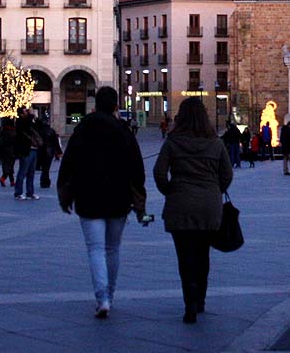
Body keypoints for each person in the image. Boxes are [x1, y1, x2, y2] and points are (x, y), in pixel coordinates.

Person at [58, 86, 148, 319]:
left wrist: (65, 193)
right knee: (113, 248)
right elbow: (136, 167)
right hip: (119, 198)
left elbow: (68, 163)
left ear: (95, 105)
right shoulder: (124, 131)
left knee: (95, 249)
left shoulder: (83, 130)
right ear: (116, 106)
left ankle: (102, 299)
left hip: (89, 197)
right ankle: (111, 294)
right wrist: (138, 196)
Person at [153, 97, 233, 323]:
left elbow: (159, 172)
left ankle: (189, 302)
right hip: (209, 205)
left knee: (185, 256)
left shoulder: (173, 142)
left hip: (181, 203)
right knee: (203, 254)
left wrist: (170, 190)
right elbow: (227, 174)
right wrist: (215, 191)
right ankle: (200, 300)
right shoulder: (215, 143)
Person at [14, 107, 40, 200]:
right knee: (23, 172)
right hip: (26, 150)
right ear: (21, 114)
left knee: (31, 172)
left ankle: (30, 192)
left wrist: (33, 117)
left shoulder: (30, 121)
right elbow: (26, 125)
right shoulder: (20, 122)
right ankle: (18, 192)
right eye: (25, 112)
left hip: (34, 149)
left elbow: (39, 126)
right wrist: (31, 114)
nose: (28, 113)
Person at [0, 119, 16, 187]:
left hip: (3, 151)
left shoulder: (3, 132)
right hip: (11, 151)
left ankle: (12, 181)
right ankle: (3, 178)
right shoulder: (13, 132)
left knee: (7, 166)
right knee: (10, 166)